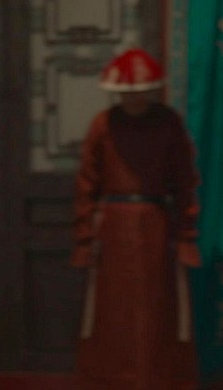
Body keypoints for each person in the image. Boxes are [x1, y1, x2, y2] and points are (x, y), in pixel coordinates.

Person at [71, 49, 202, 390]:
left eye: (139, 91)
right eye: (126, 92)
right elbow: (87, 183)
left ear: (151, 90)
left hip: (156, 225)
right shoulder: (103, 124)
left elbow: (185, 181)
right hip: (112, 229)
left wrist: (186, 235)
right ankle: (110, 382)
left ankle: (158, 380)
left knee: (158, 308)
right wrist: (84, 238)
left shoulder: (169, 123)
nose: (133, 98)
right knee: (112, 308)